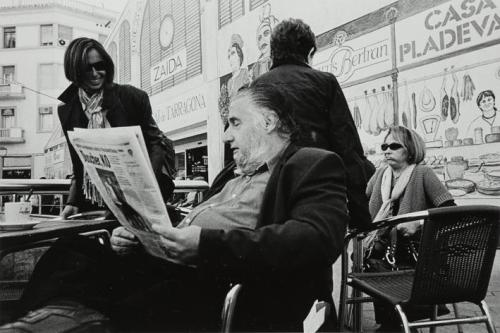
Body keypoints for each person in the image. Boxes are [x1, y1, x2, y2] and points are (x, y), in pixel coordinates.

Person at [12, 84, 349, 332]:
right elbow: (197, 217)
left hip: (222, 278)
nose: (227, 135)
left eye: (234, 122)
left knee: (126, 300)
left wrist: (204, 243)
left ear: (269, 121)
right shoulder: (233, 174)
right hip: (174, 260)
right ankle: (42, 322)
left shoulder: (311, 164)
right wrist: (142, 227)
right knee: (72, 251)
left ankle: (64, 322)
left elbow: (316, 238)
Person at [250, 18, 375, 230]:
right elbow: (348, 148)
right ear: (309, 53)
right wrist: (360, 216)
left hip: (268, 193)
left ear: (273, 54)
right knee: (312, 254)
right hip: (316, 191)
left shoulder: (257, 88)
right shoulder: (325, 82)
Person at [57, 37, 175, 219]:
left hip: (138, 198)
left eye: (100, 65)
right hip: (95, 200)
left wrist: (147, 191)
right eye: (87, 68)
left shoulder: (132, 97)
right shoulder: (67, 110)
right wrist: (72, 202)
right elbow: (78, 162)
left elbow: (156, 143)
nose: (96, 73)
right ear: (74, 71)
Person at [364, 125, 455, 331]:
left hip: (415, 252)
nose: (387, 150)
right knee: (371, 254)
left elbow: (451, 213)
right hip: (383, 251)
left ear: (410, 149)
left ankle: (395, 323)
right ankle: (394, 322)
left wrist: (420, 223)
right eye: (384, 145)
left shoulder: (423, 173)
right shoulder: (381, 175)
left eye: (394, 146)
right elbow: (362, 202)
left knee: (379, 260)